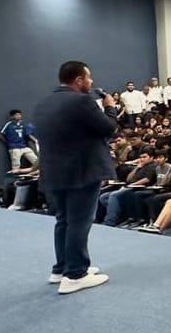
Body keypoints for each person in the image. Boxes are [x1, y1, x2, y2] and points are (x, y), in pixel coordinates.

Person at [32, 61, 118, 294]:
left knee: (64, 220)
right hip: (82, 170)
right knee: (79, 221)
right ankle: (75, 274)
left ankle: (61, 269)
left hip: (53, 171)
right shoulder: (81, 101)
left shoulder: (44, 103)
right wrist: (110, 107)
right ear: (78, 80)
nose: (91, 82)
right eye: (89, 78)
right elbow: (109, 128)